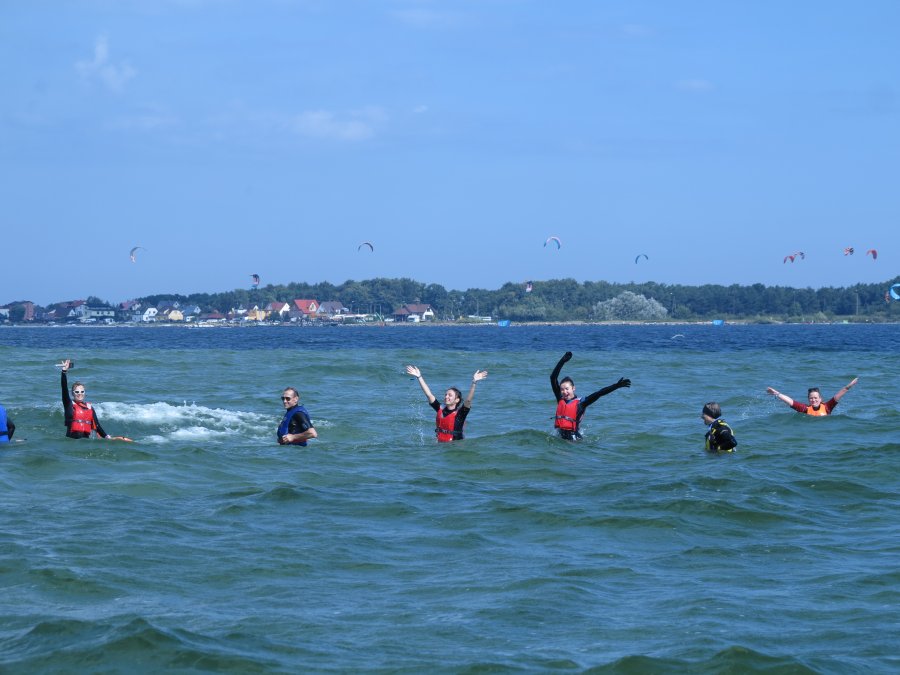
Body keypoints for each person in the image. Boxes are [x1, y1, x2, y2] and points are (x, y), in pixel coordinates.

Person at [550, 351, 630, 441]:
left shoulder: (581, 403)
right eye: (562, 389)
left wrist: (616, 386)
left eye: (567, 389)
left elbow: (599, 393)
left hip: (573, 440)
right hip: (560, 436)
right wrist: (562, 361)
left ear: (573, 388)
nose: (564, 392)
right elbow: (553, 378)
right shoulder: (560, 399)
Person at [405, 365, 488, 442]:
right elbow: (429, 394)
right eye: (446, 395)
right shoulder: (440, 408)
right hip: (441, 445)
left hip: (455, 446)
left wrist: (474, 382)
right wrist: (419, 377)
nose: (446, 397)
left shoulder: (461, 414)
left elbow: (468, 401)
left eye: (450, 395)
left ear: (457, 400)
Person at [60, 359, 114, 439]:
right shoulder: (68, 404)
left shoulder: (89, 407)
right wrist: (64, 372)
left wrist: (106, 436)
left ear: (85, 392)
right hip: (71, 441)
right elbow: (64, 388)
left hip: (85, 443)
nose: (80, 393)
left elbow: (97, 425)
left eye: (82, 391)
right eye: (77, 392)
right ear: (72, 393)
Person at [766, 378, 858, 416]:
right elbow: (791, 402)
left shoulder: (827, 407)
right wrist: (777, 393)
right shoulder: (805, 409)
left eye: (815, 398)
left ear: (820, 399)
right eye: (811, 398)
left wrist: (848, 386)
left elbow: (837, 396)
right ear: (808, 400)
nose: (813, 400)